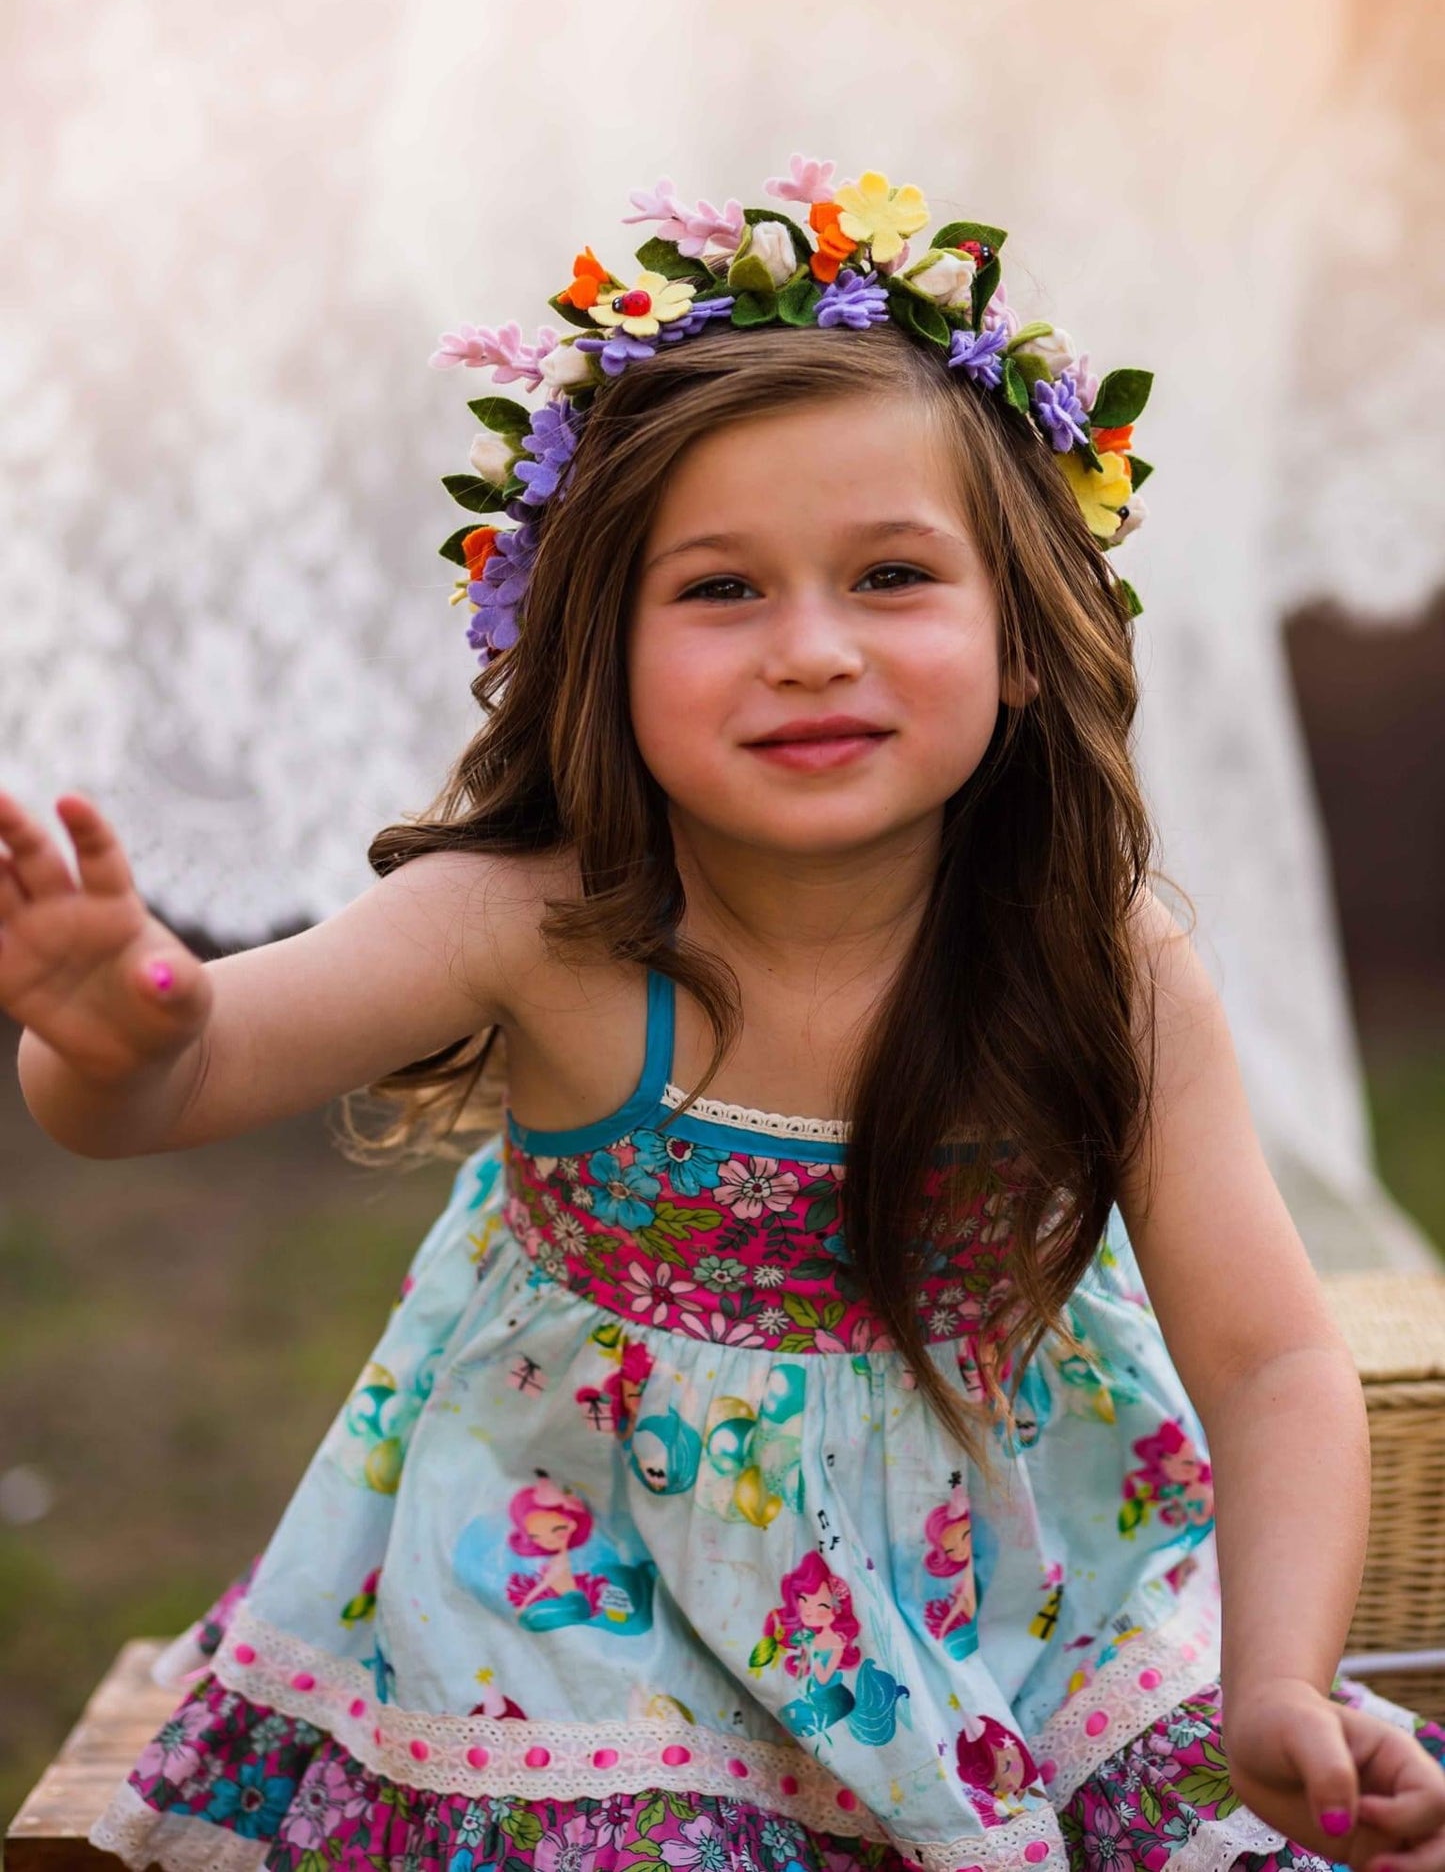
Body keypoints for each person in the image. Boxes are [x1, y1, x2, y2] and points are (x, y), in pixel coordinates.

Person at [7, 156, 1444, 1872]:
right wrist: (127, 1024)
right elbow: (173, 1086)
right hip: (586, 1620)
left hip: (1016, 1596)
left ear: (1022, 643)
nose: (811, 649)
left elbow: (1269, 1356)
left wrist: (1272, 1681)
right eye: (719, 590)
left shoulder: (1096, 958)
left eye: (891, 577)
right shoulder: (533, 923)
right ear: (591, 650)